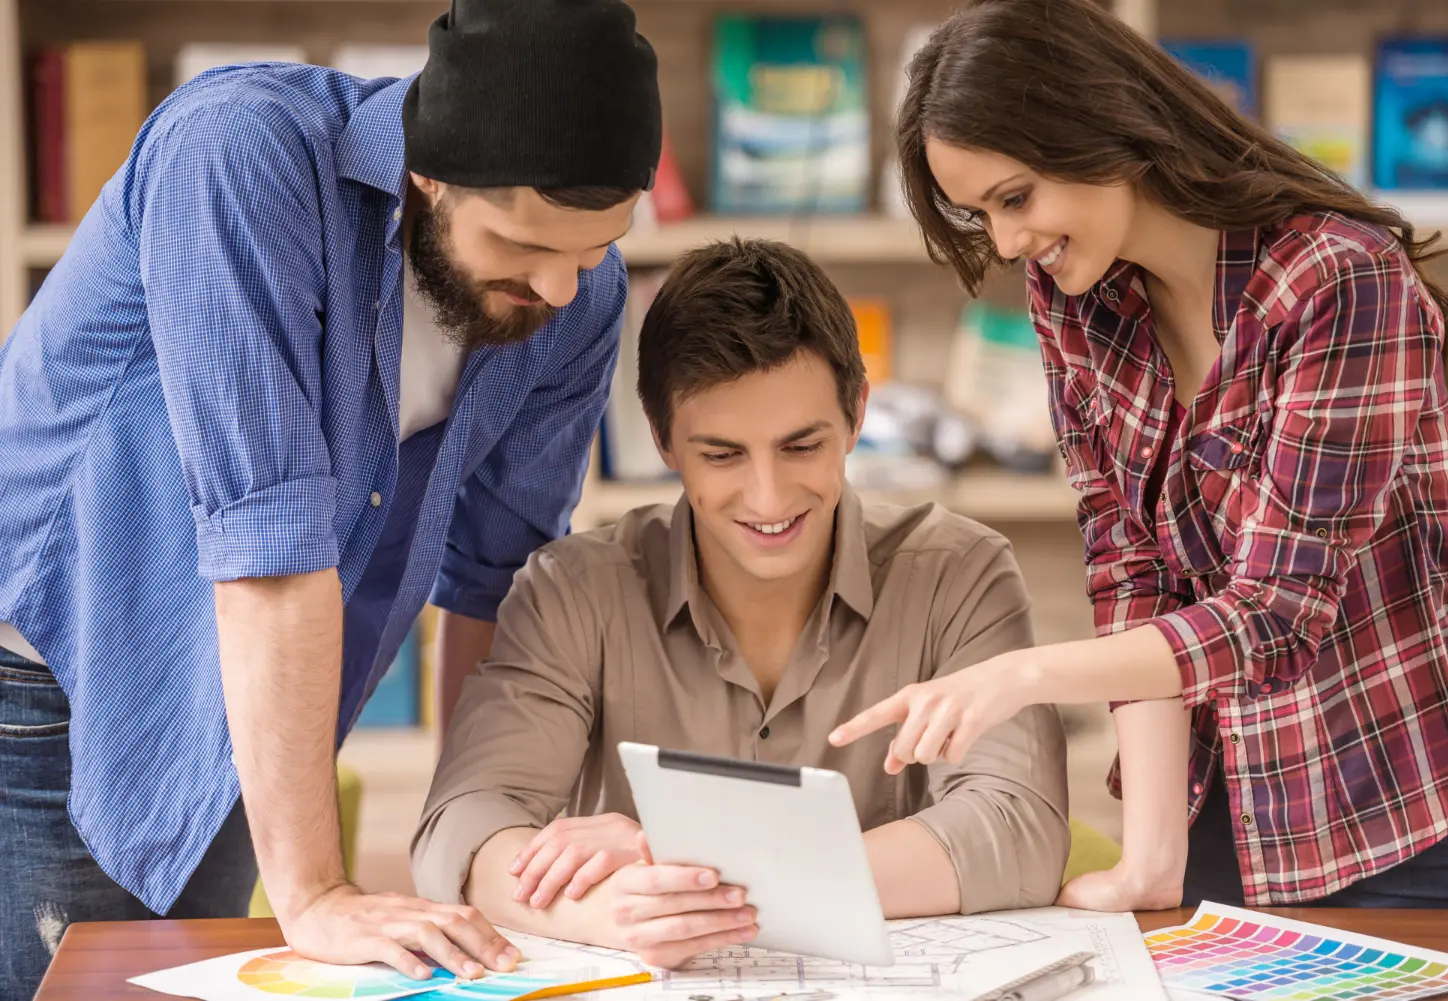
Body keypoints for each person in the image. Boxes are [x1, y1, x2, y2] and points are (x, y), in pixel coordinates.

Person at [0, 1, 662, 997]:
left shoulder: (581, 298)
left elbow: (496, 580)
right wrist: (311, 889)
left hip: (245, 701)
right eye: (524, 247)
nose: (561, 290)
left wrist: (471, 836)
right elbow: (267, 543)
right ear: (428, 170)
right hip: (51, 685)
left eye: (592, 248)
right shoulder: (238, 156)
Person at [830, 0, 1448, 912]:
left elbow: (1274, 616)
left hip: (1392, 830)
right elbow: (1129, 564)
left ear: (1102, 126)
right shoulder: (1072, 294)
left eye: (1016, 197)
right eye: (981, 212)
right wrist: (1153, 859)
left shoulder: (1341, 280)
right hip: (1217, 821)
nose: (1009, 241)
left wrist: (1021, 675)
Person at [410, 237, 1070, 969]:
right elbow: (462, 827)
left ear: (856, 415)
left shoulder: (961, 573)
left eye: (801, 446)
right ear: (661, 439)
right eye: (722, 455)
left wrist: (680, 868)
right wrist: (618, 911)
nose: (768, 498)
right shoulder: (575, 590)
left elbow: (1018, 828)